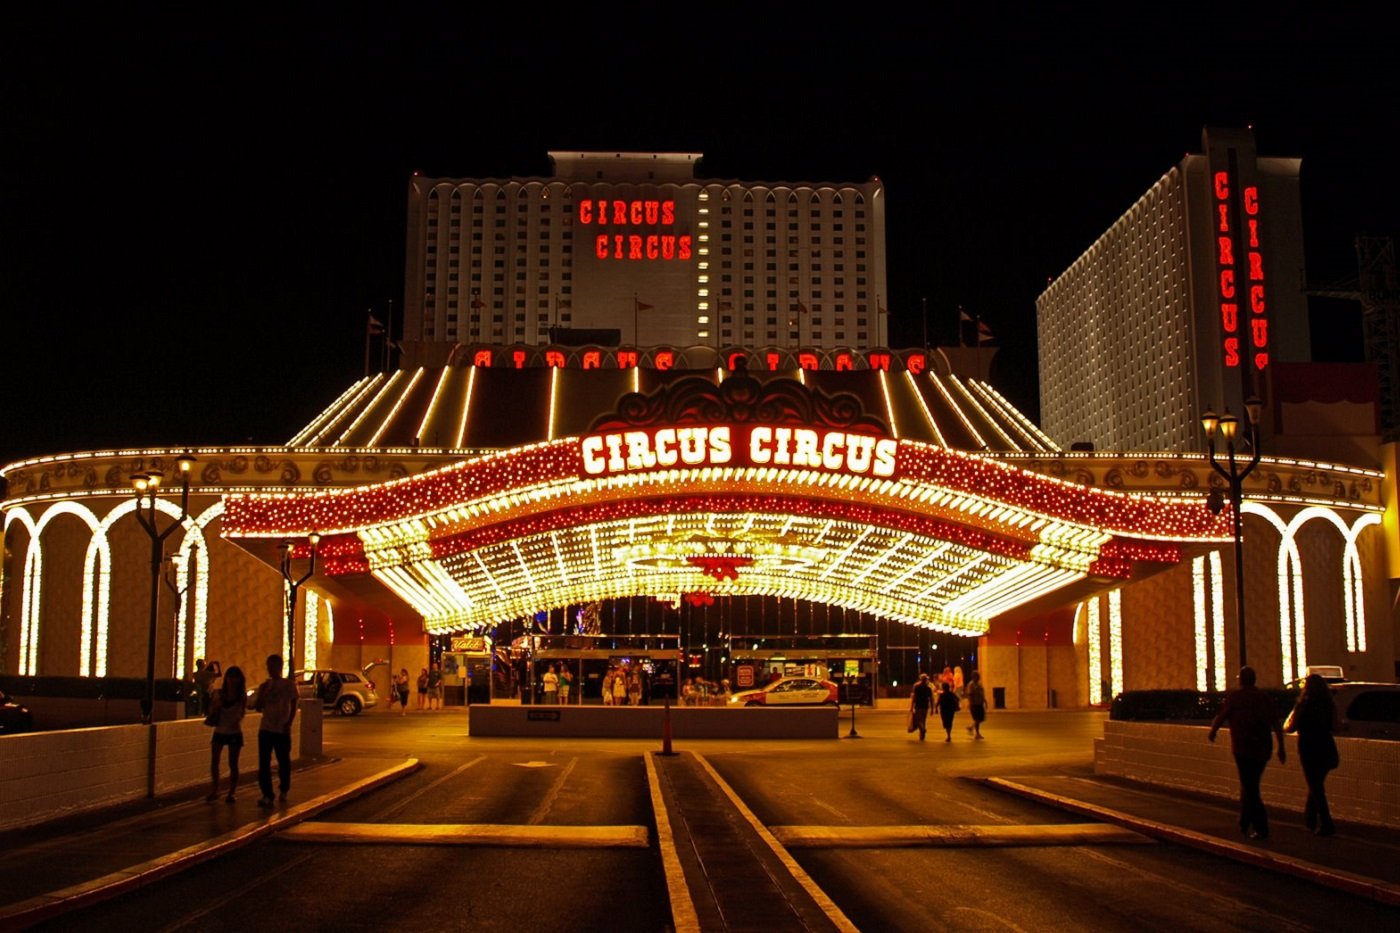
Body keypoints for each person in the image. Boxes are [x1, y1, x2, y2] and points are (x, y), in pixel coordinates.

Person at [1209, 666, 1286, 839]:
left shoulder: (1235, 698)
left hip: (1243, 748)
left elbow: (1222, 716)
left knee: (1250, 787)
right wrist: (1281, 747)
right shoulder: (1264, 698)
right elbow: (1276, 723)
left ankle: (1261, 826)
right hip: (1263, 748)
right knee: (1250, 784)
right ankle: (1244, 822)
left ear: (1241, 680)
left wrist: (1213, 731)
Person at [1285, 673, 1340, 836]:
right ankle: (1310, 819)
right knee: (1317, 784)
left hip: (1309, 747)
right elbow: (1335, 726)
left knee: (1315, 786)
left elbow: (1290, 727)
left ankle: (1325, 822)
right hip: (1326, 746)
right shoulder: (1328, 704)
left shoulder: (1304, 705)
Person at [252, 654, 298, 808]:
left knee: (283, 761)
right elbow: (258, 707)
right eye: (268, 666)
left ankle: (284, 788)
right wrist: (263, 693)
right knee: (264, 762)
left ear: (279, 667)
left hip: (281, 729)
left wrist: (289, 723)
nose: (270, 669)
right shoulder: (265, 686)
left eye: (273, 666)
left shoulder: (288, 685)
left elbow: (294, 703)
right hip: (266, 728)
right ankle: (267, 794)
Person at [207, 665, 246, 802]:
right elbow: (212, 710)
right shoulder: (220, 694)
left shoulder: (241, 696)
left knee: (233, 763)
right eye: (230, 677)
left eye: (235, 677)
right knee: (215, 761)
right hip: (220, 730)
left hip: (234, 731)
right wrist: (215, 707)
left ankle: (231, 792)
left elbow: (240, 714)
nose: (232, 680)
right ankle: (215, 789)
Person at [909, 673, 933, 741]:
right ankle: (922, 735)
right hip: (925, 706)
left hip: (918, 706)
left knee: (918, 720)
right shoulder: (928, 688)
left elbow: (914, 697)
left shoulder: (917, 687)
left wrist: (911, 706)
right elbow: (930, 699)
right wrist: (932, 709)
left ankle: (922, 730)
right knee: (923, 720)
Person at [965, 671, 987, 739]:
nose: (978, 678)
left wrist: (985, 701)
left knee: (980, 718)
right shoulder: (971, 685)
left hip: (979, 703)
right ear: (973, 677)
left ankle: (972, 728)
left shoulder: (979, 684)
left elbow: (981, 693)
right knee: (977, 718)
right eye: (976, 676)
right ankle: (976, 733)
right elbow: (970, 695)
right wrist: (970, 703)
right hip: (974, 704)